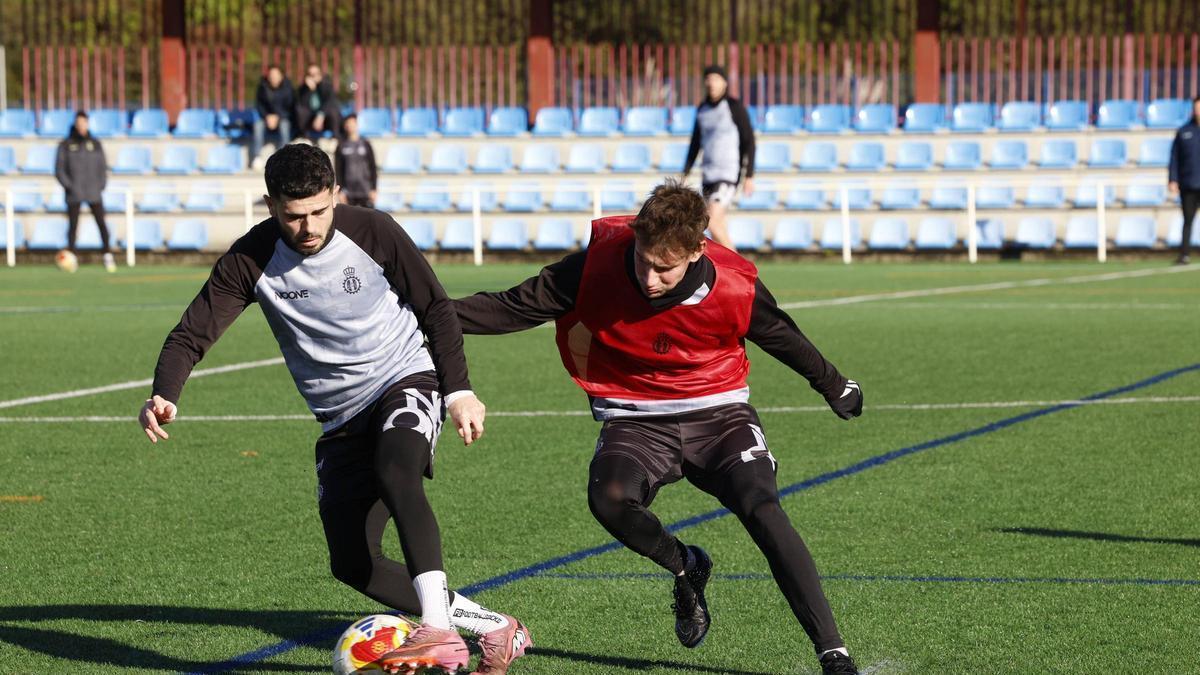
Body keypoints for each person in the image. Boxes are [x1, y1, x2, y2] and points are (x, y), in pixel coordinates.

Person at [137, 143, 530, 675]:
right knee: (354, 564)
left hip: (403, 379)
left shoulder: (373, 230)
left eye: (319, 211)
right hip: (340, 417)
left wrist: (458, 390)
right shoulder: (249, 259)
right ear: (271, 205)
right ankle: (494, 628)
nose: (307, 227)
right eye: (293, 215)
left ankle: (438, 634)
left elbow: (436, 308)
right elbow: (192, 333)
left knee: (398, 471)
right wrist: (165, 392)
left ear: (336, 197)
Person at [453, 180, 863, 675]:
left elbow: (783, 337)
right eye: (643, 260)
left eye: (663, 268)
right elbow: (512, 306)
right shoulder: (595, 266)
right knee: (608, 498)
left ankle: (832, 652)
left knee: (763, 509)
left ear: (696, 251)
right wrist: (433, 314)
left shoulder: (735, 285)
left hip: (719, 415)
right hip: (636, 416)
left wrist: (834, 384)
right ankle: (687, 566)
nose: (648, 277)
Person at [681, 65, 756, 252]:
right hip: (708, 174)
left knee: (712, 222)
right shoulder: (702, 109)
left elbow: (749, 140)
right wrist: (686, 171)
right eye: (709, 79)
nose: (712, 83)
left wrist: (749, 175)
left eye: (716, 79)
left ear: (724, 82)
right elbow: (695, 142)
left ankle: (742, 271)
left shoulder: (733, 107)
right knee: (717, 227)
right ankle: (730, 273)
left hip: (728, 173)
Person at [55, 111, 115, 272]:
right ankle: (72, 257)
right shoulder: (66, 144)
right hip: (74, 193)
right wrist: (69, 186)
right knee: (73, 226)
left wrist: (100, 185)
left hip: (94, 191)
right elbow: (59, 170)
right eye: (79, 123)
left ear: (87, 123)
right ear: (75, 124)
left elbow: (103, 167)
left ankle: (107, 255)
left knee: (101, 223)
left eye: (84, 122)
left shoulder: (95, 144)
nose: (81, 126)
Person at [1168, 95, 1200, 265]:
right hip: (1189, 184)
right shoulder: (1184, 131)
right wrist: (1173, 179)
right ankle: (1184, 254)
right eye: (1196, 107)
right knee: (1187, 220)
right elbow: (1174, 157)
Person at [252, 64, 295, 161]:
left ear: (281, 76)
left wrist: (278, 116)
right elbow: (259, 105)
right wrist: (267, 116)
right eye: (271, 75)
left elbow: (291, 107)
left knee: (285, 126)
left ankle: (285, 157)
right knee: (257, 126)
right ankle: (257, 157)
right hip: (266, 119)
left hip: (283, 118)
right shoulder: (262, 87)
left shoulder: (288, 88)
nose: (273, 78)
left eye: (276, 75)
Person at [335, 114, 378, 208]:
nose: (350, 125)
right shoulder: (341, 146)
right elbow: (338, 170)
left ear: (357, 124)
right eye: (348, 123)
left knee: (367, 220)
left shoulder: (366, 144)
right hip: (349, 192)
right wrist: (340, 191)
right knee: (350, 221)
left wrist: (374, 189)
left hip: (365, 190)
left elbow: (373, 167)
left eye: (352, 123)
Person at [296, 63, 342, 140]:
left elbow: (329, 102)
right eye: (311, 74)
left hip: (325, 118)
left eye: (316, 74)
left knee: (333, 111)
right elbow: (302, 104)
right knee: (300, 111)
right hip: (310, 118)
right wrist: (309, 90)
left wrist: (320, 115)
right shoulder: (303, 89)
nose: (314, 76)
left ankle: (336, 137)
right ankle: (304, 137)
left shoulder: (326, 85)